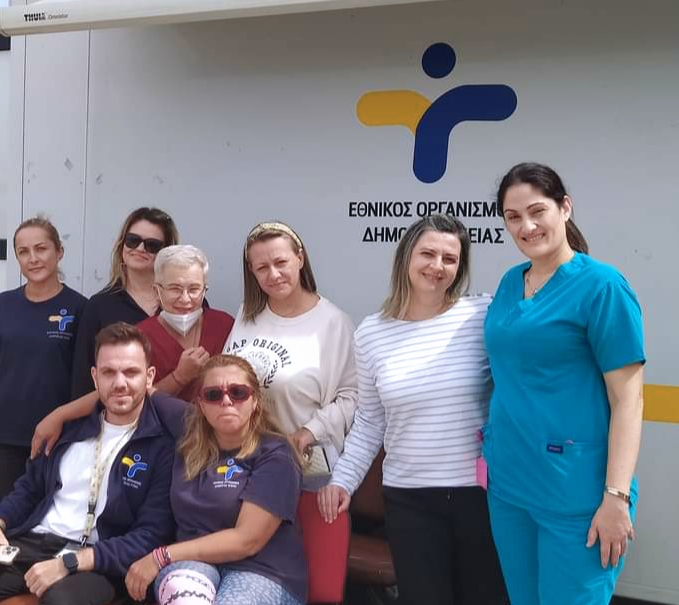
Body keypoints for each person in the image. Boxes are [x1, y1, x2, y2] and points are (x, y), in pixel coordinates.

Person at [0, 323, 177, 605]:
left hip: (98, 560)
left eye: (131, 372)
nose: (119, 383)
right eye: (109, 372)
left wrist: (71, 562)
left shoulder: (162, 447)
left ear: (149, 376)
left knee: (59, 602)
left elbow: (150, 534)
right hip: (34, 544)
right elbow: (28, 490)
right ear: (95, 377)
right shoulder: (68, 429)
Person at [316, 215, 507, 605]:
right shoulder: (372, 332)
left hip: (479, 496)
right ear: (406, 256)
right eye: (428, 254)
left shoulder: (481, 315)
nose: (437, 266)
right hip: (409, 500)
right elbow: (370, 421)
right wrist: (342, 481)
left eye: (450, 258)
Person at [483, 163, 644, 605]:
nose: (527, 226)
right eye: (513, 217)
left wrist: (616, 498)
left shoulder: (603, 287)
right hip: (510, 488)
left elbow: (629, 401)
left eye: (538, 211)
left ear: (565, 208)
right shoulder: (510, 283)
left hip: (577, 496)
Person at [125, 355, 307, 605]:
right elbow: (138, 391)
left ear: (255, 400)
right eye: (213, 395)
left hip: (262, 571)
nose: (226, 401)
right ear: (201, 404)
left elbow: (247, 540)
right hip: (194, 563)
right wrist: (65, 415)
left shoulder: (276, 454)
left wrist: (160, 557)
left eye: (238, 392)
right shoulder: (189, 428)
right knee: (181, 593)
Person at [223, 221, 357, 491]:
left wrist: (311, 431)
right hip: (243, 464)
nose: (273, 275)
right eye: (262, 267)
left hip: (303, 468)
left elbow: (352, 396)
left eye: (281, 262)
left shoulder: (334, 323)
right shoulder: (247, 314)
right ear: (251, 270)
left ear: (300, 258)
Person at [0, 216, 87, 503]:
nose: (33, 258)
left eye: (41, 249)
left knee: (51, 518)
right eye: (23, 252)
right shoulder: (2, 305)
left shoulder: (80, 308)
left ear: (59, 252)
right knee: (8, 515)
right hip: (5, 436)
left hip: (58, 437)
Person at [70, 207, 180, 398]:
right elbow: (83, 380)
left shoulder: (185, 302)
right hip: (115, 413)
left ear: (166, 253)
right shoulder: (99, 306)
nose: (140, 249)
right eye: (133, 240)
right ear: (122, 244)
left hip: (179, 413)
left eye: (152, 245)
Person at [137, 245, 234, 402]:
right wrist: (179, 376)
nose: (185, 299)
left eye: (194, 289)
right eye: (175, 289)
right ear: (157, 291)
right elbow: (136, 401)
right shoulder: (139, 337)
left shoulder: (224, 326)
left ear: (204, 290)